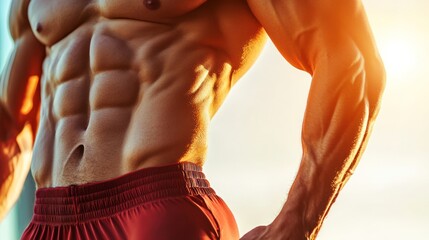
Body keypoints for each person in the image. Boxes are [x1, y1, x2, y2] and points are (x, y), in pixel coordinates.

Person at [0, 0, 385, 239]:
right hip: (49, 220)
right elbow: (10, 126)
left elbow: (352, 63)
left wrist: (298, 222)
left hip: (157, 212)